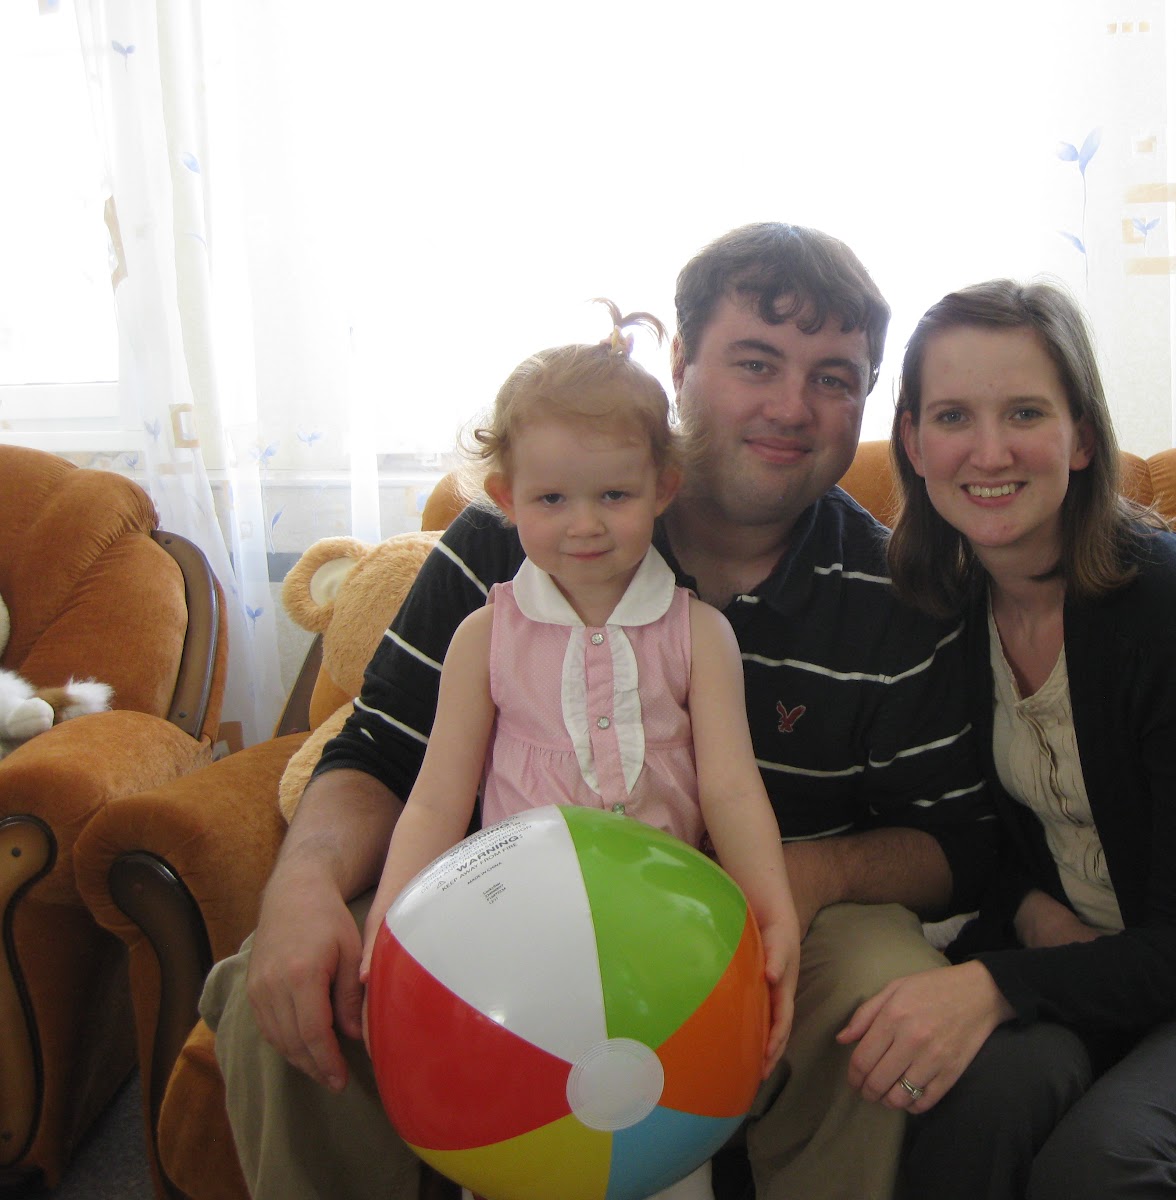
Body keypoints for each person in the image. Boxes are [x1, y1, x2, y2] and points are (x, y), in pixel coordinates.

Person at [199, 224, 996, 1200]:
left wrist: (802, 878)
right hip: (502, 902)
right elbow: (382, 755)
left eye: (834, 378)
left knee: (878, 997)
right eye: (756, 362)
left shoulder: (896, 591)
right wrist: (302, 886)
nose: (792, 407)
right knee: (286, 987)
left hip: (775, 912)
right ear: (681, 365)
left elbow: (959, 843)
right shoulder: (508, 545)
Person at [837, 279, 1176, 1198]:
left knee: (1103, 1161)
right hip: (1067, 965)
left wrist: (993, 984)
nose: (989, 450)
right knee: (970, 1109)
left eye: (1024, 412)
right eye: (953, 416)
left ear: (1080, 435)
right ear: (912, 442)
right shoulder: (941, 602)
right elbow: (963, 832)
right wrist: (1033, 915)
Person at [358, 299, 800, 1087]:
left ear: (663, 488)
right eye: (552, 500)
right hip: (513, 930)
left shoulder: (700, 634)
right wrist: (391, 932)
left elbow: (733, 790)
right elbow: (436, 802)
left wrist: (771, 909)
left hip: (664, 924)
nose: (585, 525)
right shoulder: (483, 637)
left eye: (614, 496)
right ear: (507, 498)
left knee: (652, 1102)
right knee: (518, 1102)